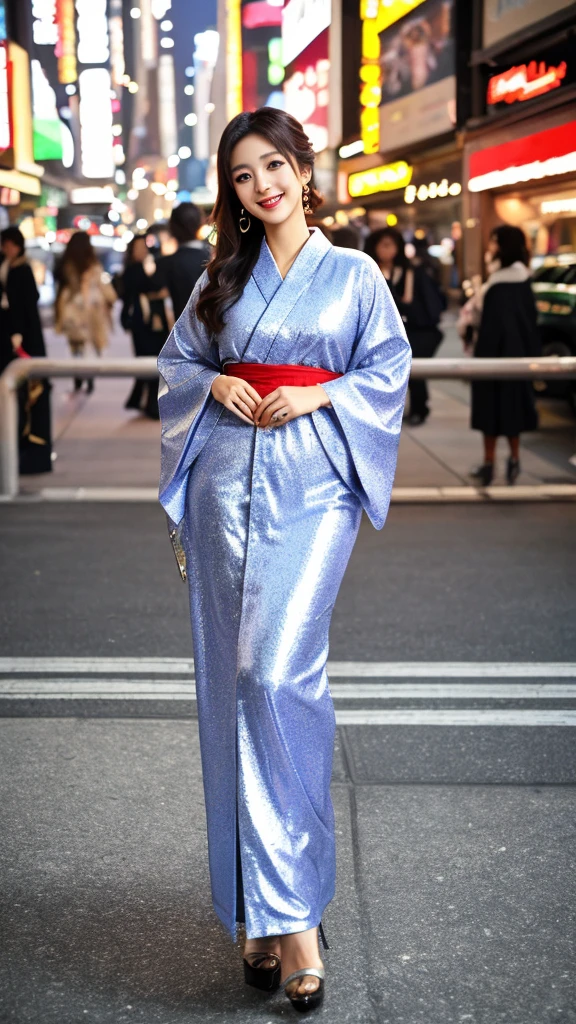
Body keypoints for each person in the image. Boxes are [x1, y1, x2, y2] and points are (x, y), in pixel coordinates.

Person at [158, 107, 411, 1014]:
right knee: (234, 683)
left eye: (275, 166)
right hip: (226, 483)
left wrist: (322, 398)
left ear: (305, 171)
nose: (261, 185)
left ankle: (292, 909)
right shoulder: (219, 281)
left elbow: (387, 371)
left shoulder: (354, 274)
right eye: (241, 175)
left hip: (316, 487)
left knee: (276, 674)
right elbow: (178, 363)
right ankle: (262, 917)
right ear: (230, 193)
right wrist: (213, 380)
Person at [464, 225, 541, 486]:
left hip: (492, 356)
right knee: (513, 412)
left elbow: (486, 323)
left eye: (494, 242)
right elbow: (531, 323)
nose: (490, 248)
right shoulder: (524, 280)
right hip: (517, 358)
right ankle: (514, 459)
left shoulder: (498, 284)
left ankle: (489, 463)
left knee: (490, 412)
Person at [365, 226, 444, 425]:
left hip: (412, 331)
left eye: (392, 246)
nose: (388, 250)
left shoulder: (410, 271)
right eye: (383, 245)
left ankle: (419, 409)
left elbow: (422, 305)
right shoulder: (367, 270)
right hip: (380, 333)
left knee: (414, 373)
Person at [0, 226, 52, 474]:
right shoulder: (8, 266)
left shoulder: (21, 269)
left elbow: (26, 305)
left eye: (10, 244)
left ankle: (31, 452)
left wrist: (18, 334)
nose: (6, 248)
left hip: (24, 342)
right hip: (12, 339)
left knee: (31, 394)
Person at [55, 231, 116, 393]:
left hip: (71, 310)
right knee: (88, 345)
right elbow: (104, 287)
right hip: (90, 310)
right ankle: (88, 377)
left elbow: (61, 290)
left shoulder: (66, 266)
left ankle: (79, 375)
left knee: (76, 346)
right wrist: (110, 298)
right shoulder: (92, 265)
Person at [120, 235, 169, 419]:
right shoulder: (134, 270)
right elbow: (150, 287)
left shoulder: (144, 267)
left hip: (145, 322)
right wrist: (156, 292)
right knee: (148, 361)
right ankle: (149, 405)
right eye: (139, 247)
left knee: (148, 360)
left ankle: (143, 402)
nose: (143, 250)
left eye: (144, 247)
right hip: (142, 322)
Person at [156, 202, 209, 322]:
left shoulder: (166, 263)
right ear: (200, 223)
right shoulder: (214, 257)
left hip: (182, 332)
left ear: (172, 227)